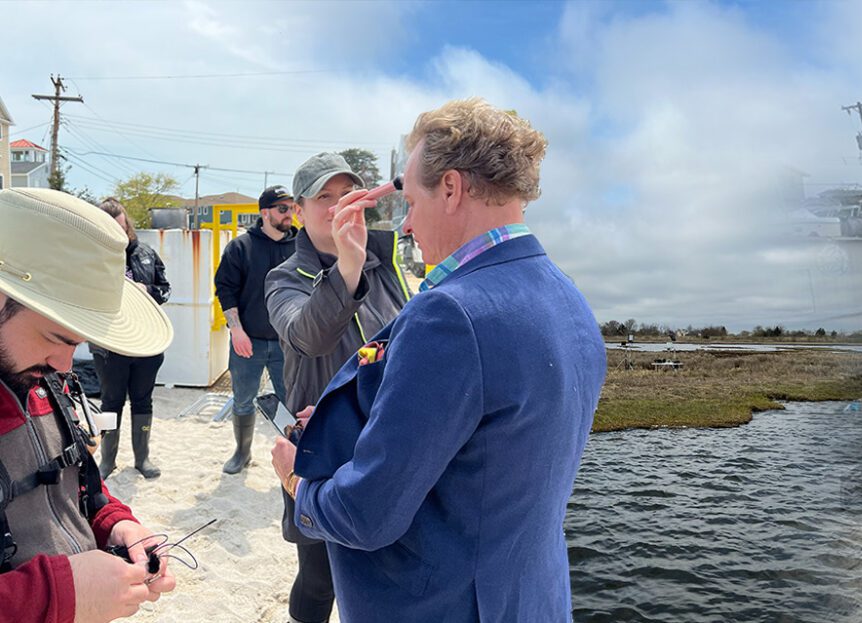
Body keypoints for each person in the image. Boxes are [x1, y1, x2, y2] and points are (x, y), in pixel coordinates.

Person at [269, 98, 604, 622]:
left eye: (411, 200)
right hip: (529, 597)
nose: (404, 225)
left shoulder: (449, 312)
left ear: (449, 188)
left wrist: (296, 483)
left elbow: (366, 514)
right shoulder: (569, 297)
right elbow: (475, 432)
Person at [0, 187, 183, 622]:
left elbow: (78, 490)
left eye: (78, 344)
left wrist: (117, 526)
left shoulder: (38, 376)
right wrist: (56, 594)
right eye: (56, 338)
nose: (66, 364)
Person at [265, 152, 413, 623]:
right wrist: (348, 267)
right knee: (319, 574)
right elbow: (307, 336)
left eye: (346, 194)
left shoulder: (387, 263)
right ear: (299, 211)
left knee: (383, 563)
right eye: (323, 197)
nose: (336, 206)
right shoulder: (283, 277)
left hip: (381, 439)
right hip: (318, 446)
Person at [211, 185, 300, 474]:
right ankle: (242, 453)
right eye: (282, 209)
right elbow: (225, 289)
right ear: (265, 213)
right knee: (243, 400)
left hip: (289, 342)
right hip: (248, 340)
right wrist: (236, 330)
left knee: (292, 402)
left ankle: (295, 456)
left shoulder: (302, 246)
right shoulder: (240, 247)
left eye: (292, 208)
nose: (290, 214)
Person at [88, 198, 172, 479]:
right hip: (109, 344)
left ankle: (142, 459)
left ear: (128, 226)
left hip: (146, 342)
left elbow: (166, 289)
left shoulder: (146, 253)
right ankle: (106, 460)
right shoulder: (93, 258)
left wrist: (145, 289)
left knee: (143, 401)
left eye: (121, 228)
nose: (118, 235)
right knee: (109, 402)